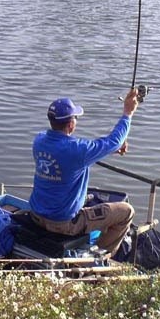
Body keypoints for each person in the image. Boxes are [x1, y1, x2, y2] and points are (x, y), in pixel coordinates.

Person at [28, 88, 140, 255]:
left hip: (36, 215)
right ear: (71, 124)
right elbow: (113, 141)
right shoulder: (77, 151)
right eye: (75, 118)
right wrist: (127, 113)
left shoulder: (39, 140)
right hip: (64, 224)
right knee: (126, 211)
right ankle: (100, 255)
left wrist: (110, 149)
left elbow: (73, 154)